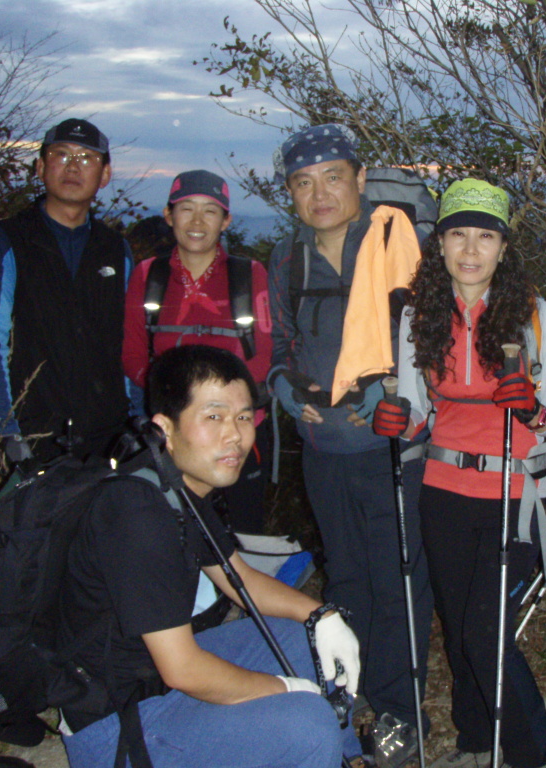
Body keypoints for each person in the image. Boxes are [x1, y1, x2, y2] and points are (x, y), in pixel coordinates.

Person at [59, 344, 364, 768]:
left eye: (243, 417)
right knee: (306, 724)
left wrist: (321, 615)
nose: (234, 435)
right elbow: (183, 670)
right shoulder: (136, 513)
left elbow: (240, 579)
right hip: (115, 721)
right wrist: (284, 690)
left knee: (304, 638)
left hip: (154, 683)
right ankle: (316, 744)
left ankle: (347, 758)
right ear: (164, 428)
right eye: (214, 416)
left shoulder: (179, 487)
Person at [374, 179, 546, 768]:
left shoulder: (536, 316)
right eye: (457, 234)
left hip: (514, 493)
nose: (470, 249)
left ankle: (535, 751)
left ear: (504, 247)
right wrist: (396, 420)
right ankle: (472, 739)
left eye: (484, 236)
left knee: (483, 631)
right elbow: (414, 412)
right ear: (438, 245)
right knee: (457, 623)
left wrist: (533, 411)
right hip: (441, 492)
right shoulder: (419, 316)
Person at [267, 123, 434, 752]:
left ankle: (400, 711)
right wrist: (281, 384)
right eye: (304, 183)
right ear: (291, 193)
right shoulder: (286, 257)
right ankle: (351, 689)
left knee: (396, 579)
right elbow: (281, 340)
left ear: (360, 179)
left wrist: (395, 387)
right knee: (346, 576)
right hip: (323, 450)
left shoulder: (397, 241)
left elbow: (432, 334)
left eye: (333, 177)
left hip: (390, 447)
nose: (320, 194)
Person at [0, 118, 133, 465]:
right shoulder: (8, 241)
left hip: (109, 435)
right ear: (41, 167)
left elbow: (130, 339)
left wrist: (138, 419)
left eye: (87, 158)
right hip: (34, 433)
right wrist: (6, 428)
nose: (74, 166)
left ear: (104, 175)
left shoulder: (116, 250)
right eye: (62, 155)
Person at [122, 169, 274, 534]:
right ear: (168, 215)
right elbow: (132, 355)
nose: (196, 221)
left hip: (239, 432)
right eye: (186, 209)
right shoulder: (148, 275)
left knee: (242, 533)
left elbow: (264, 355)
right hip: (172, 434)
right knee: (168, 534)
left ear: (226, 220)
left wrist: (218, 413)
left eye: (210, 211)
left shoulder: (250, 274)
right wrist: (181, 409)